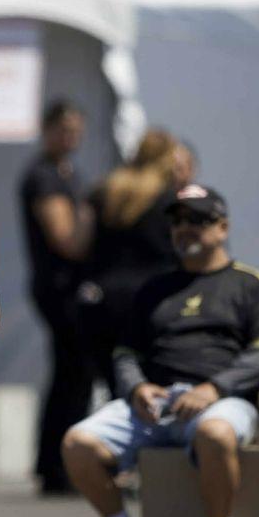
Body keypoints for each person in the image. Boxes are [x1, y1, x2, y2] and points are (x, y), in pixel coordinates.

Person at [62, 185, 259, 517]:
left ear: (223, 228)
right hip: (156, 401)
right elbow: (125, 353)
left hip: (223, 402)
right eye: (178, 222)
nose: (185, 230)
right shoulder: (155, 288)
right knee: (77, 444)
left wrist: (214, 388)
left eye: (197, 221)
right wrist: (136, 389)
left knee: (215, 434)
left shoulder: (251, 285)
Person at [19, 100, 92, 493]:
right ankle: (55, 464)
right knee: (71, 372)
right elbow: (64, 237)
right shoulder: (45, 176)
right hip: (58, 287)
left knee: (74, 374)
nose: (71, 137)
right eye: (64, 128)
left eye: (76, 129)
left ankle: (58, 462)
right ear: (48, 129)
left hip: (67, 286)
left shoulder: (69, 173)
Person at [77, 129, 182, 398]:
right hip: (151, 299)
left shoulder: (105, 190)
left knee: (112, 384)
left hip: (102, 298)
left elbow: (80, 243)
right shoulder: (168, 198)